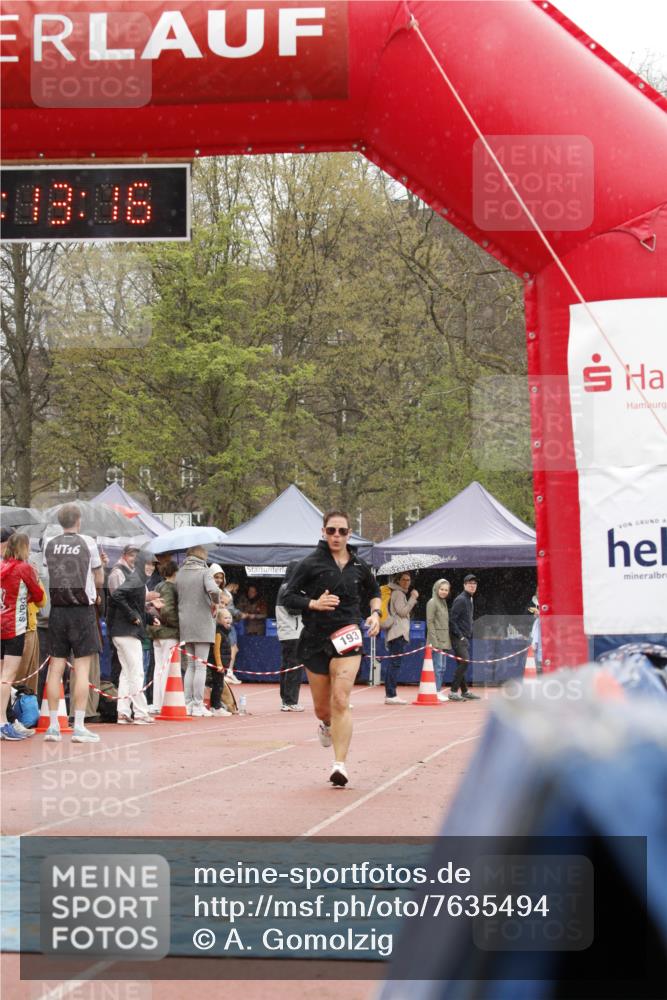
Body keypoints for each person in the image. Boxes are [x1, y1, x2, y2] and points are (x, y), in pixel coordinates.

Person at [283, 510, 381, 787]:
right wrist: (313, 603)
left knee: (341, 699)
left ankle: (340, 765)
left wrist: (375, 614)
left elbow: (374, 592)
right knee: (323, 709)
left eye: (341, 531)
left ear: (350, 534)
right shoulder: (309, 563)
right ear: (323, 532)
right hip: (315, 639)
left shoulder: (360, 566)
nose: (336, 536)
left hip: (348, 635)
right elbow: (287, 596)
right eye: (331, 531)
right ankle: (326, 725)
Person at [43, 504, 105, 743]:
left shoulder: (49, 543)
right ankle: (78, 726)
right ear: (78, 520)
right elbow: (98, 576)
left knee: (55, 668)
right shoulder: (88, 542)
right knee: (81, 670)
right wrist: (97, 590)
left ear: (61, 521)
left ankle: (52, 726)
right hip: (82, 610)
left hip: (58, 609)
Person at [0, 533, 46, 740]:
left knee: (2, 676)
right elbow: (39, 597)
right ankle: (2, 723)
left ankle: (6, 720)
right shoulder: (24, 568)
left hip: (1, 621)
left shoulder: (2, 567)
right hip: (15, 627)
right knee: (7, 678)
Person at [108, 554, 159, 724]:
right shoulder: (136, 579)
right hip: (128, 632)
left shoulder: (137, 579)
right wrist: (132, 616)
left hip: (120, 632)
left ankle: (123, 712)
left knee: (126, 673)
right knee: (136, 673)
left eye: (153, 565)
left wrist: (149, 618)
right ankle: (140, 712)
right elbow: (117, 596)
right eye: (148, 564)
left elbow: (133, 604)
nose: (151, 568)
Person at [176, 546, 220, 717]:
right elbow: (214, 590)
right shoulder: (204, 572)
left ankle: (187, 702)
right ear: (202, 556)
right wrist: (215, 602)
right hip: (202, 623)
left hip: (185, 622)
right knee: (201, 666)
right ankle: (198, 704)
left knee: (190, 666)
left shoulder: (180, 573)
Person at [148, 559, 180, 714]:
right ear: (175, 572)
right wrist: (177, 625)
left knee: (159, 668)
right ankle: (164, 703)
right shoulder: (170, 587)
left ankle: (157, 702)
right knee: (167, 668)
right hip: (169, 632)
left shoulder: (158, 585)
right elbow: (167, 611)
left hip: (157, 632)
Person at [383, 572, 419, 705]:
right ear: (398, 581)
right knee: (394, 664)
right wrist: (413, 598)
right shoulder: (398, 594)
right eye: (404, 580)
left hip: (396, 634)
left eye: (408, 580)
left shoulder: (398, 593)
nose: (407, 582)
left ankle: (390, 694)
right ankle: (391, 694)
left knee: (393, 664)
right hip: (397, 634)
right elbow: (403, 612)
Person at [275, 560, 305, 712]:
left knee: (287, 666)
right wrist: (309, 605)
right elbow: (293, 610)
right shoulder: (289, 588)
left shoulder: (284, 587)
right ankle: (290, 701)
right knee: (294, 667)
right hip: (292, 632)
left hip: (287, 632)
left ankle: (286, 700)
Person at [449, 574, 480, 701]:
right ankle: (453, 692)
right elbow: (451, 621)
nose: (472, 585)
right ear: (464, 585)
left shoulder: (469, 599)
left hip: (464, 637)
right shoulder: (461, 599)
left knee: (461, 663)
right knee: (464, 661)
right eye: (469, 583)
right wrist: (461, 636)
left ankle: (465, 691)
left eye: (474, 583)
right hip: (458, 637)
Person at [426, 578, 452, 701]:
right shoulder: (432, 602)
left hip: (444, 641)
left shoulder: (443, 603)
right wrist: (434, 641)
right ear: (436, 589)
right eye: (442, 589)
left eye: (446, 590)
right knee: (437, 667)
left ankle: (438, 690)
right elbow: (430, 622)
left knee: (442, 668)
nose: (444, 592)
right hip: (436, 641)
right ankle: (435, 691)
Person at [211, 607, 233, 717]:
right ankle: (216, 706)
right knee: (218, 685)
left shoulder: (226, 632)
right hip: (218, 665)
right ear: (219, 620)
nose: (228, 620)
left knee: (219, 684)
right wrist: (219, 664)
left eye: (229, 617)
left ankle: (216, 704)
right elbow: (216, 649)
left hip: (223, 664)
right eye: (225, 618)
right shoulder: (218, 633)